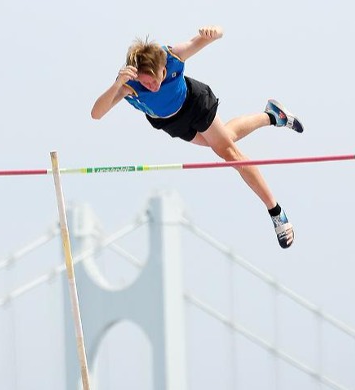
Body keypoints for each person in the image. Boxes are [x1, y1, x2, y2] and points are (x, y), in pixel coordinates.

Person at [91, 25, 303, 249]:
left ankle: (276, 212)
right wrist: (117, 85)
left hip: (195, 103)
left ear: (163, 67)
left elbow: (211, 37)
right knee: (227, 138)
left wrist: (213, 32)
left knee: (230, 154)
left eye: (155, 80)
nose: (152, 87)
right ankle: (272, 115)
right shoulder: (128, 83)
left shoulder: (172, 57)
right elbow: (96, 114)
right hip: (170, 122)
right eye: (146, 82)